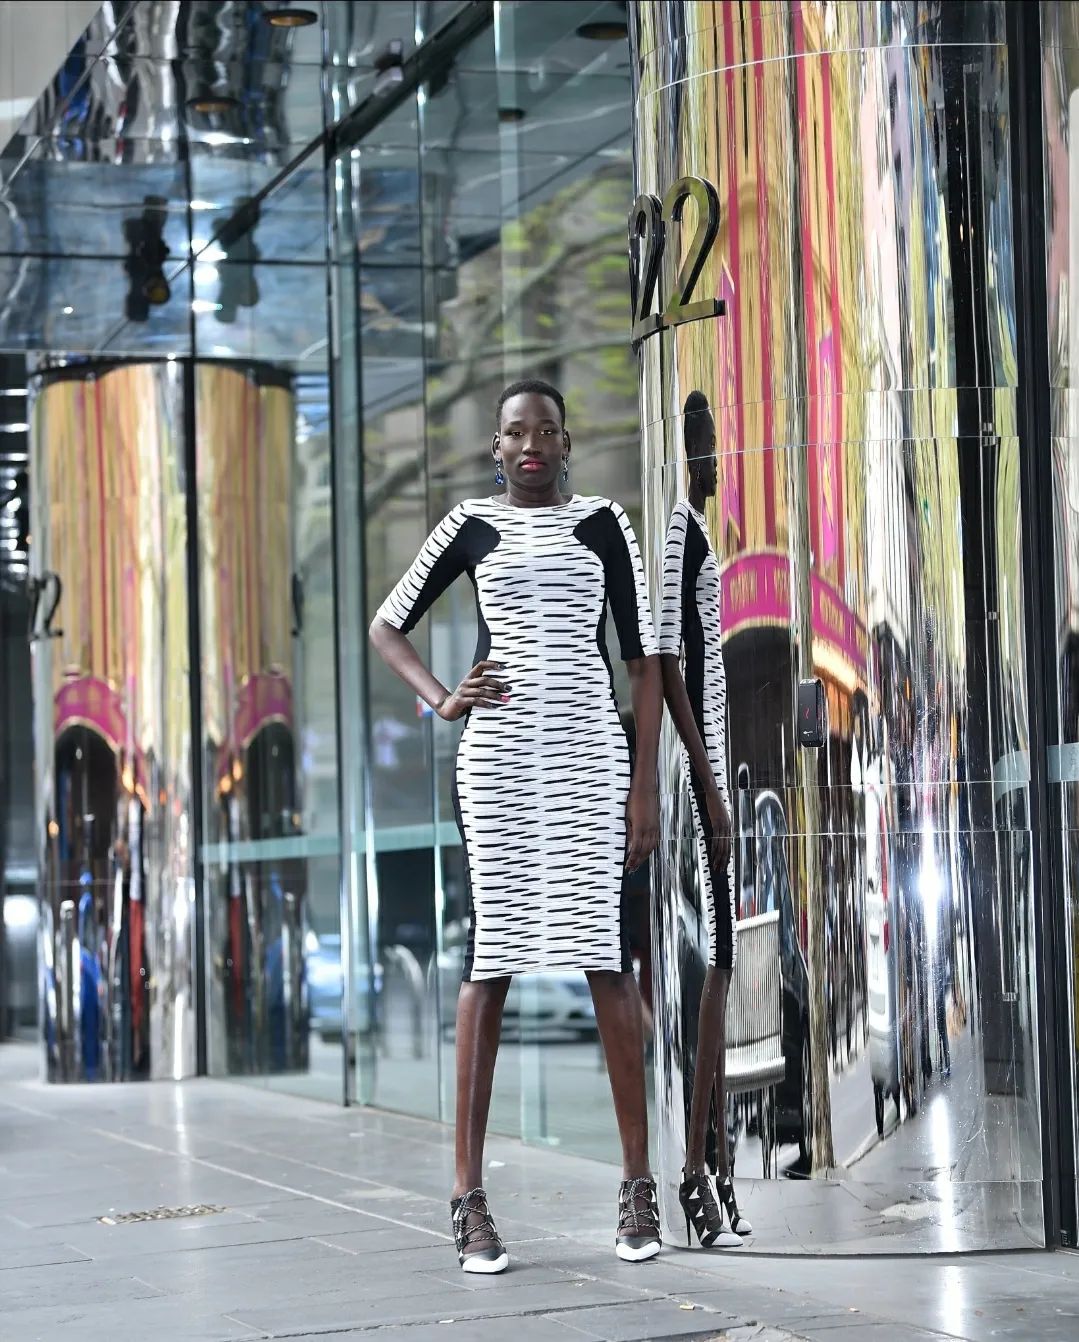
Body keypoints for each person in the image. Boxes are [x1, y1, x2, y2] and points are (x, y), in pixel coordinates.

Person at [369, 378, 664, 1274]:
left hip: (590, 756)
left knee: (605, 957)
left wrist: (644, 787)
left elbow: (644, 663)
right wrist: (441, 700)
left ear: (565, 442)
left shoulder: (605, 523)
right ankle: (468, 1201)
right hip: (497, 762)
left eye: (544, 430)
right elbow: (387, 627)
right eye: (513, 432)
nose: (529, 443)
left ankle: (637, 1187)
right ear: (495, 447)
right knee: (489, 958)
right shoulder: (468, 525)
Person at [658, 390, 750, 1248]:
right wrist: (708, 783)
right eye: (706, 445)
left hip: (713, 766)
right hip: (700, 777)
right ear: (688, 451)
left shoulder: (697, 531)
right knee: (716, 964)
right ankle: (694, 1167)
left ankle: (712, 1166)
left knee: (724, 961)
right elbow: (666, 663)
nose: (716, 460)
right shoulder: (677, 532)